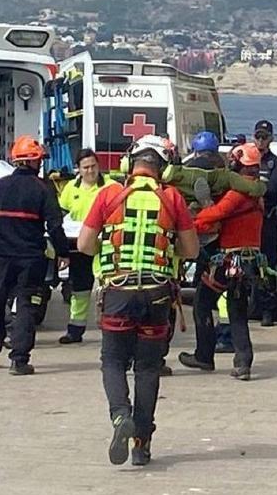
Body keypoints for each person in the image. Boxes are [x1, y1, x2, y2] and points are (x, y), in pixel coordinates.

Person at [78, 135, 198, 468]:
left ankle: (120, 417)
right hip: (158, 295)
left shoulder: (108, 194)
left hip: (118, 292)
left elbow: (85, 245)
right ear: (166, 168)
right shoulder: (172, 198)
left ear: (129, 164)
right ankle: (141, 444)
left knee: (113, 362)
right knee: (148, 368)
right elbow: (191, 250)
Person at [0, 136, 68, 374]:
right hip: (31, 258)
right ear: (35, 161)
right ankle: (19, 359)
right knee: (26, 304)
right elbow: (55, 226)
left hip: (1, 256)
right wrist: (63, 252)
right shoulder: (43, 189)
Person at [179, 142, 265, 380]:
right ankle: (243, 361)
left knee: (202, 303)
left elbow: (215, 215)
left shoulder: (237, 194)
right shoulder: (257, 193)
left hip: (229, 261)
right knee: (237, 312)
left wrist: (189, 223)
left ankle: (204, 356)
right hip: (251, 261)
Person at [56, 149, 118, 344]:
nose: (90, 171)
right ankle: (75, 328)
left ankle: (113, 329)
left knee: (109, 287)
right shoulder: (70, 189)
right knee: (80, 288)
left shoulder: (112, 187)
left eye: (93, 166)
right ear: (78, 169)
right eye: (86, 167)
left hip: (105, 245)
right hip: (79, 245)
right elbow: (61, 215)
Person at [250, 119, 277, 327]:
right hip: (247, 221)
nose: (261, 141)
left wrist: (251, 187)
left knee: (266, 266)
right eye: (258, 137)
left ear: (271, 138)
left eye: (264, 137)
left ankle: (267, 310)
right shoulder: (244, 160)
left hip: (267, 221)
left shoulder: (276, 163)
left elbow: (272, 189)